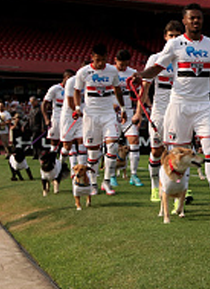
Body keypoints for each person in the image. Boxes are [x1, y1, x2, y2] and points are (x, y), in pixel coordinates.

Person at [130, 3, 210, 213]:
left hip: (203, 105)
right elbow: (157, 67)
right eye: (192, 18)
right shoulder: (175, 45)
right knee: (178, 153)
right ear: (184, 21)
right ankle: (176, 194)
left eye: (199, 18)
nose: (196, 21)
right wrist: (141, 75)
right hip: (179, 104)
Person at [139, 20, 183, 202]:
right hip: (159, 110)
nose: (173, 39)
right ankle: (154, 186)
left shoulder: (185, 59)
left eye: (176, 36)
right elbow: (145, 88)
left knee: (178, 152)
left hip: (178, 109)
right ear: (165, 37)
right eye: (170, 35)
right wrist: (138, 112)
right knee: (156, 151)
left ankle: (181, 189)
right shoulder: (155, 59)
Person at [74, 44, 126, 195]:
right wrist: (77, 108)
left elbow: (117, 89)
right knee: (93, 153)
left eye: (103, 60)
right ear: (92, 57)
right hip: (91, 115)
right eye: (97, 60)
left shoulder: (112, 70)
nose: (100, 63)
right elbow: (77, 91)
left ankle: (107, 181)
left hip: (108, 113)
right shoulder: (83, 72)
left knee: (113, 147)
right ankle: (94, 184)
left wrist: (122, 109)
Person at [114, 49, 143, 186]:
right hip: (112, 113)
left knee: (134, 141)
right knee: (111, 144)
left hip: (129, 112)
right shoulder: (109, 72)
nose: (123, 67)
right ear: (115, 60)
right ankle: (110, 175)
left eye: (125, 64)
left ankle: (134, 175)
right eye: (120, 64)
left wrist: (139, 112)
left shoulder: (132, 73)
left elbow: (139, 93)